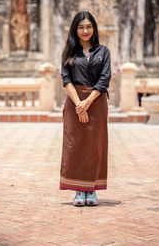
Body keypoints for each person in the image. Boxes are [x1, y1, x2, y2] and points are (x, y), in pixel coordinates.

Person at [60, 11, 111, 206]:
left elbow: (105, 79)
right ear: (75, 29)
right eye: (81, 27)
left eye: (89, 26)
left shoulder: (104, 52)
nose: (85, 30)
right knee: (75, 146)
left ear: (94, 29)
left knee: (94, 147)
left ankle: (91, 190)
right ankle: (78, 191)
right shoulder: (68, 53)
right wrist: (78, 105)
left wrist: (86, 103)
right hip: (74, 102)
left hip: (96, 103)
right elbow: (66, 80)